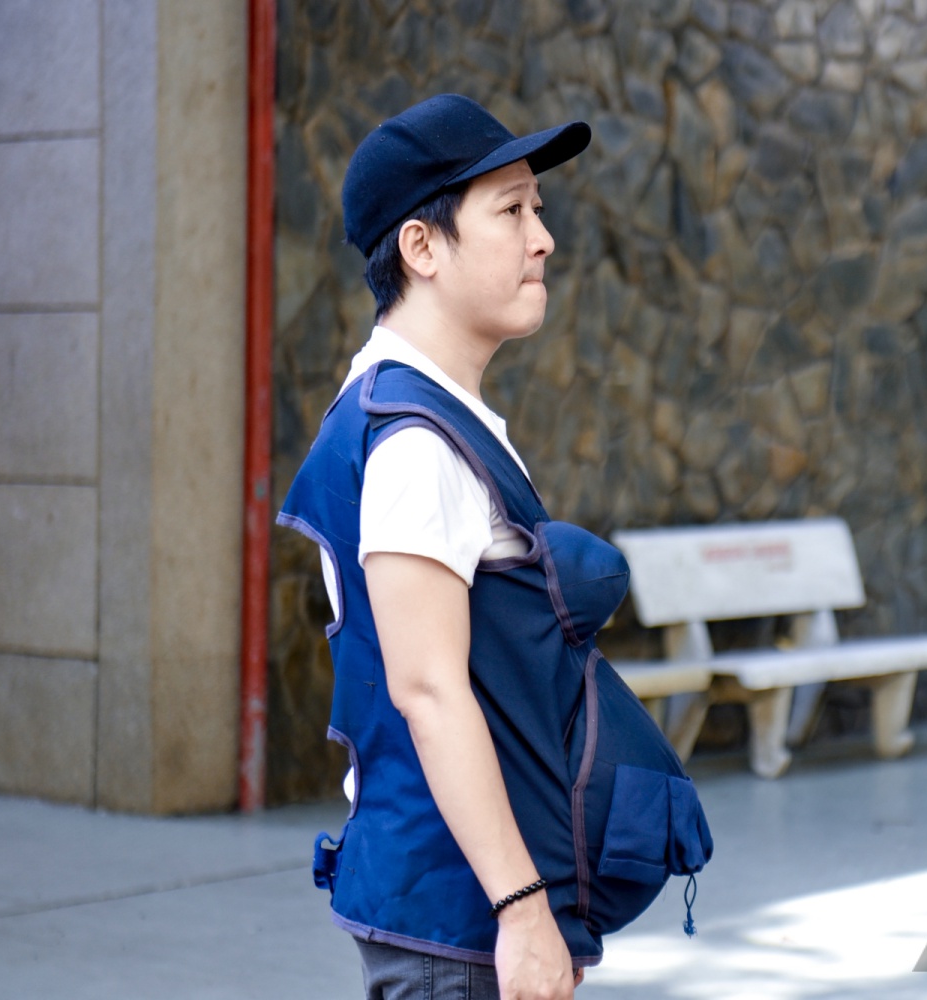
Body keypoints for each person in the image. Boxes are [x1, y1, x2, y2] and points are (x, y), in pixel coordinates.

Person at [278, 94, 710, 1000]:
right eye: (510, 210)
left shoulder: (433, 417)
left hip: (470, 917)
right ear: (421, 247)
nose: (541, 238)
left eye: (537, 208)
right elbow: (429, 692)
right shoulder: (414, 444)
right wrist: (523, 912)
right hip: (459, 926)